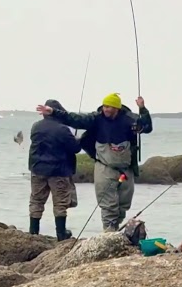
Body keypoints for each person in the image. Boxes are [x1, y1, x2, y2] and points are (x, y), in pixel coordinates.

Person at [36, 93, 152, 232]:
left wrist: (142, 109)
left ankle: (114, 229)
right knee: (108, 206)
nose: (106, 109)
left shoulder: (130, 119)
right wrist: (54, 112)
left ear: (117, 108)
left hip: (126, 169)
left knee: (123, 205)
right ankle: (108, 231)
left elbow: (147, 127)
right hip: (104, 167)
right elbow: (75, 119)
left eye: (109, 107)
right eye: (104, 106)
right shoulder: (96, 118)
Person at [28, 99, 81, 239]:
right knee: (60, 203)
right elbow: (75, 148)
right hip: (59, 170)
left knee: (36, 200)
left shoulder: (35, 126)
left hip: (37, 168)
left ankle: (33, 232)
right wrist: (76, 138)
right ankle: (61, 234)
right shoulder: (62, 129)